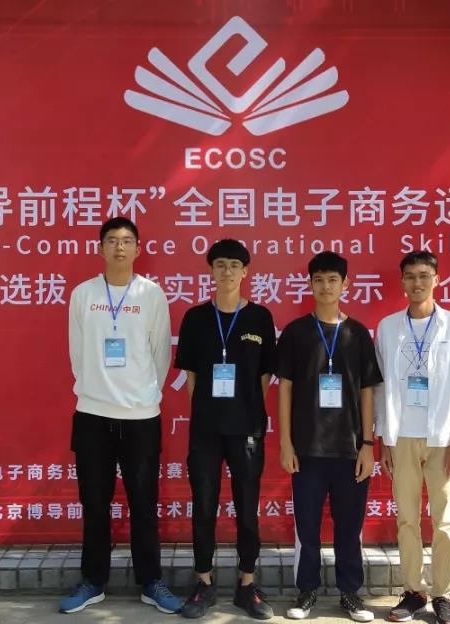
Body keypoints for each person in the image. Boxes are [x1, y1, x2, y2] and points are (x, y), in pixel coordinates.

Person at [60, 217, 182, 615]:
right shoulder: (83, 294)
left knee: (143, 503)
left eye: (127, 241)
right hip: (92, 413)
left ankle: (151, 581)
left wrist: (142, 395)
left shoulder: (151, 294)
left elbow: (160, 352)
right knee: (94, 503)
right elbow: (77, 353)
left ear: (138, 249)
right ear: (100, 248)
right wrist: (98, 388)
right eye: (111, 240)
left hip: (141, 416)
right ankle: (93, 581)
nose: (119, 247)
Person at [276, 251, 383, 622]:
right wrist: (286, 443)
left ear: (345, 284)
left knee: (349, 527)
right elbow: (285, 388)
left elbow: (367, 391)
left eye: (332, 280)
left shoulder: (358, 334)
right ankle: (306, 591)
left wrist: (368, 444)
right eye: (319, 280)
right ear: (310, 284)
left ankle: (350, 593)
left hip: (350, 450)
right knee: (307, 527)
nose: (325, 286)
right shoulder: (295, 332)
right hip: (307, 449)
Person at [174, 239, 277, 620]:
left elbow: (264, 376)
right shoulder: (196, 317)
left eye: (234, 265)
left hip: (246, 428)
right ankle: (203, 582)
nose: (227, 271)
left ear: (245, 272)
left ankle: (246, 585)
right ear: (211, 271)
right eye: (220, 264)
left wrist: (244, 410)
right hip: (205, 430)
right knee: (204, 505)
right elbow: (191, 375)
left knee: (247, 508)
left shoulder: (260, 317)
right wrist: (209, 412)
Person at [374, 251, 450, 624]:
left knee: (445, 521)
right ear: (402, 282)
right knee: (407, 520)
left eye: (424, 275)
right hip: (402, 437)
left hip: (442, 438)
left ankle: (443, 595)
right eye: (410, 276)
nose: (417, 283)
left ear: (436, 279)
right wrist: (384, 438)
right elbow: (381, 387)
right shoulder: (388, 328)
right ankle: (413, 592)